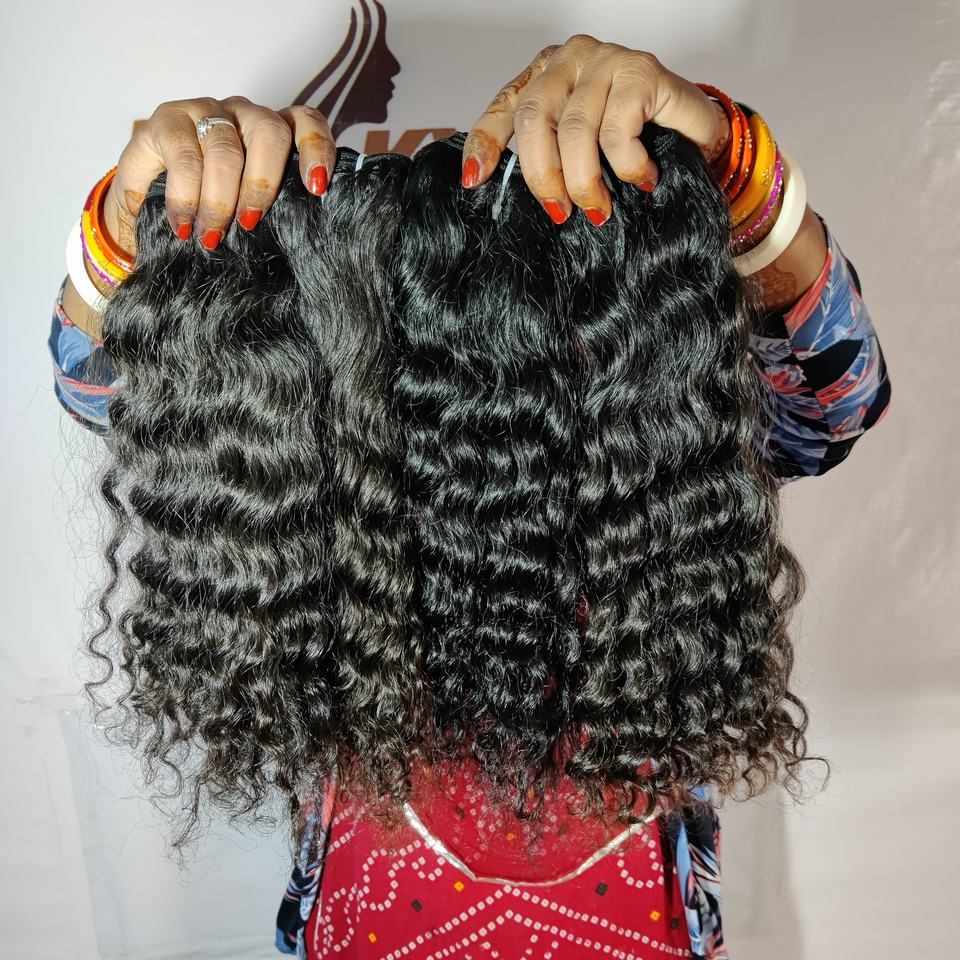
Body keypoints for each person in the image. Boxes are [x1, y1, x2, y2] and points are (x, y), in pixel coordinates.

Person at [49, 34, 891, 960]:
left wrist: (735, 168)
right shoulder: (321, 433)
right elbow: (98, 385)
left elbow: (833, 403)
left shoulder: (635, 437)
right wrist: (131, 220)